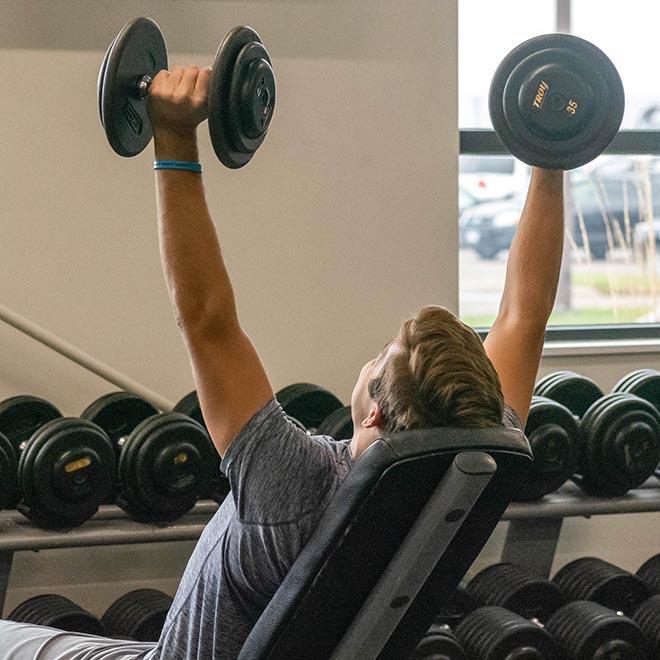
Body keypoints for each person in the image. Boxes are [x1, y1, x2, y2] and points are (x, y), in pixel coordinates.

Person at [0, 65, 564, 659]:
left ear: (373, 414)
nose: (371, 358)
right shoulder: (467, 469)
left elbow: (206, 319)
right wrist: (550, 153)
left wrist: (173, 137)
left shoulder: (293, 482)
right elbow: (525, 316)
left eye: (380, 358)